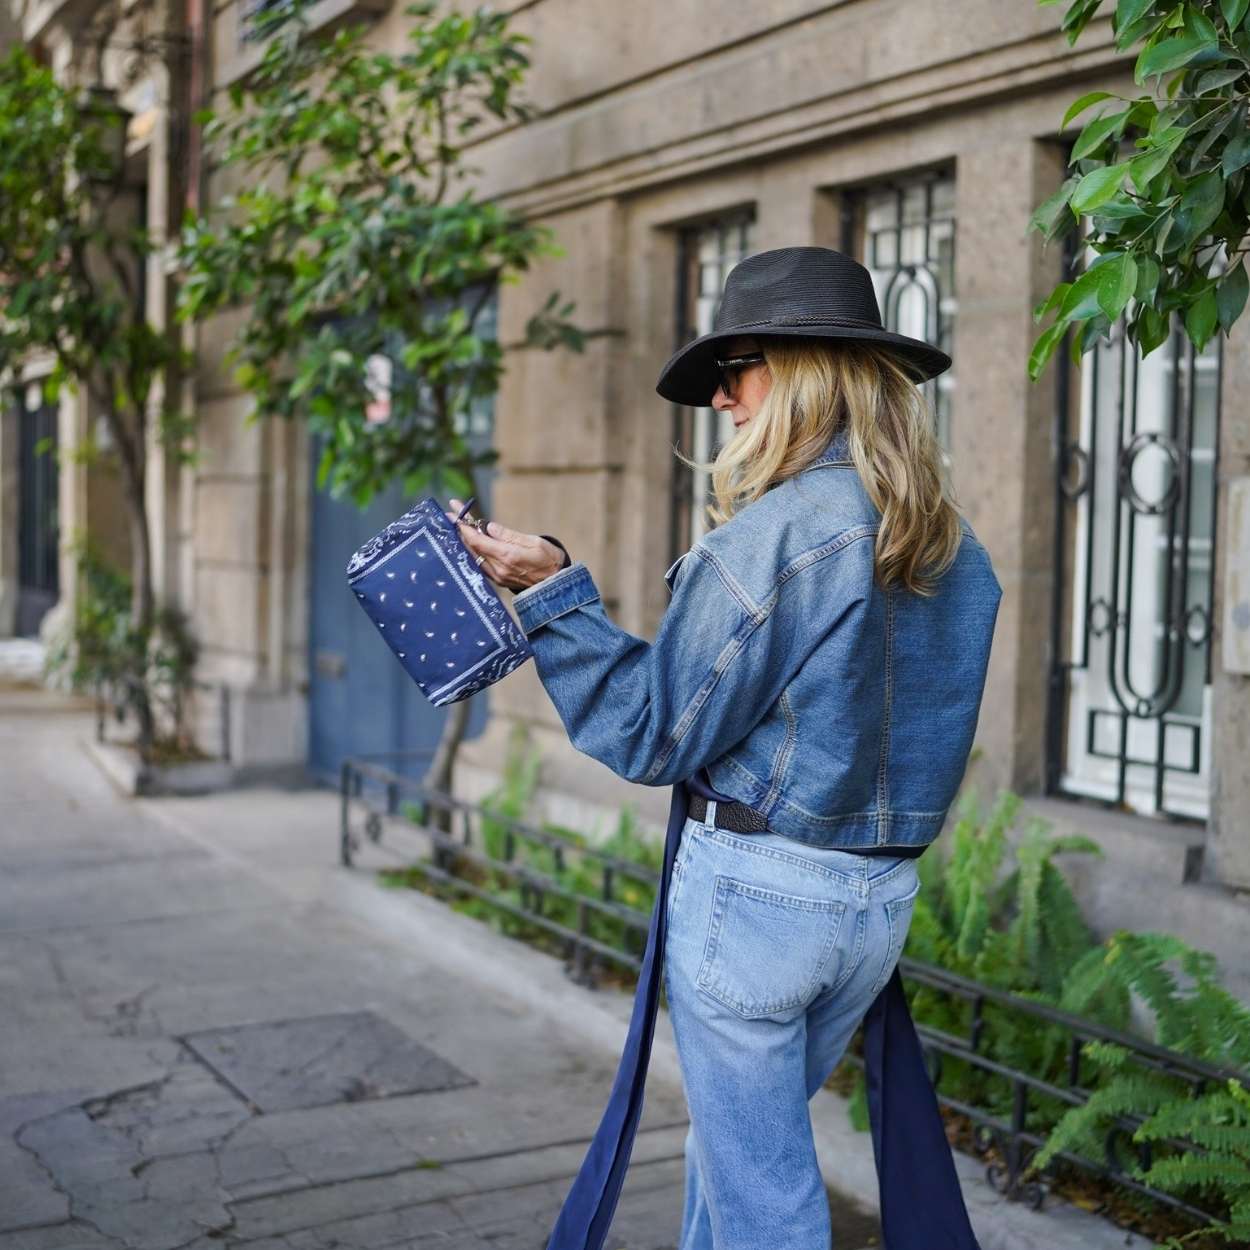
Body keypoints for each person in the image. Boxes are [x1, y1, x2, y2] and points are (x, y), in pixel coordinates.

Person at [445, 246, 1000, 1250]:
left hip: (754, 904)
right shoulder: (950, 545)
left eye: (733, 370)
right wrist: (560, 577)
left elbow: (651, 730)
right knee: (738, 1154)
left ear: (799, 369)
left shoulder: (770, 539)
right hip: (873, 908)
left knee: (764, 1205)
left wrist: (552, 603)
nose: (722, 402)